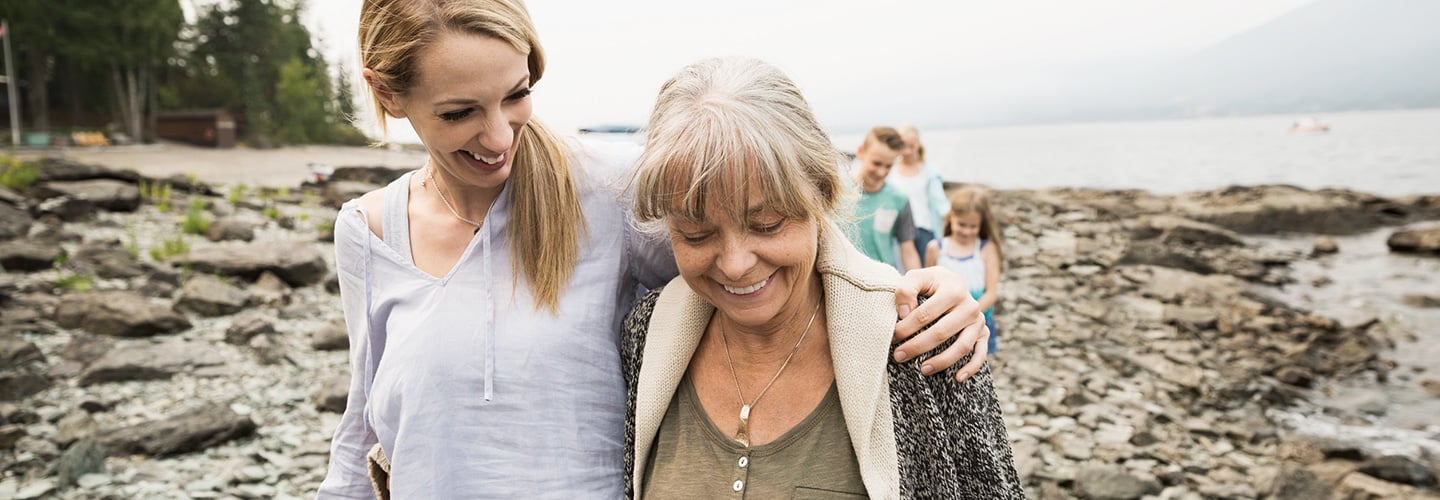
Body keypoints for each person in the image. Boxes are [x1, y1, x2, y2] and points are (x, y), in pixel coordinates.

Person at [317, 0, 995, 497]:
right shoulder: (367, 231)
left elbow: (765, 230)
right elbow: (363, 423)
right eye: (460, 112)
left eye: (517, 95)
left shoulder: (605, 188)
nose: (498, 137)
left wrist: (917, 291)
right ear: (388, 94)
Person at [621, 57, 1022, 499]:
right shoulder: (647, 334)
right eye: (696, 234)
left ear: (823, 192)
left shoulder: (924, 340)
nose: (735, 264)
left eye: (767, 224)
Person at [926, 186, 1004, 355]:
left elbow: (991, 293)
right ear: (951, 217)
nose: (966, 231)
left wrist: (968, 314)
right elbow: (928, 288)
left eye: (973, 226)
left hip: (979, 320)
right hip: (944, 322)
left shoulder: (987, 249)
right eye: (962, 224)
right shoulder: (935, 248)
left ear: (981, 224)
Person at [848, 126, 922, 272]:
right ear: (861, 152)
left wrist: (919, 284)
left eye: (888, 166)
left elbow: (908, 249)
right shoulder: (838, 190)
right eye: (876, 163)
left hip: (882, 279)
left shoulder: (899, 200)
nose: (881, 172)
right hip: (843, 276)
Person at [889, 124, 950, 264]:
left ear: (918, 144)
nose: (907, 151)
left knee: (927, 272)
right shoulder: (891, 172)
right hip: (898, 232)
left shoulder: (929, 172)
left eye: (912, 146)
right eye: (903, 146)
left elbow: (940, 202)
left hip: (924, 229)